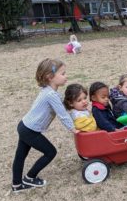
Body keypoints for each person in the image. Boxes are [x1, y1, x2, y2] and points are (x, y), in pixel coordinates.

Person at [11, 58, 79, 193]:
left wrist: (77, 115)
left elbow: (64, 109)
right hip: (30, 130)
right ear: (50, 77)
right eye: (63, 73)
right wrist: (73, 129)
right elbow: (62, 115)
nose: (66, 76)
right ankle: (30, 178)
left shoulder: (50, 91)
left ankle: (17, 185)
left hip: (25, 126)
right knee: (50, 152)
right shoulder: (51, 95)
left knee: (20, 155)